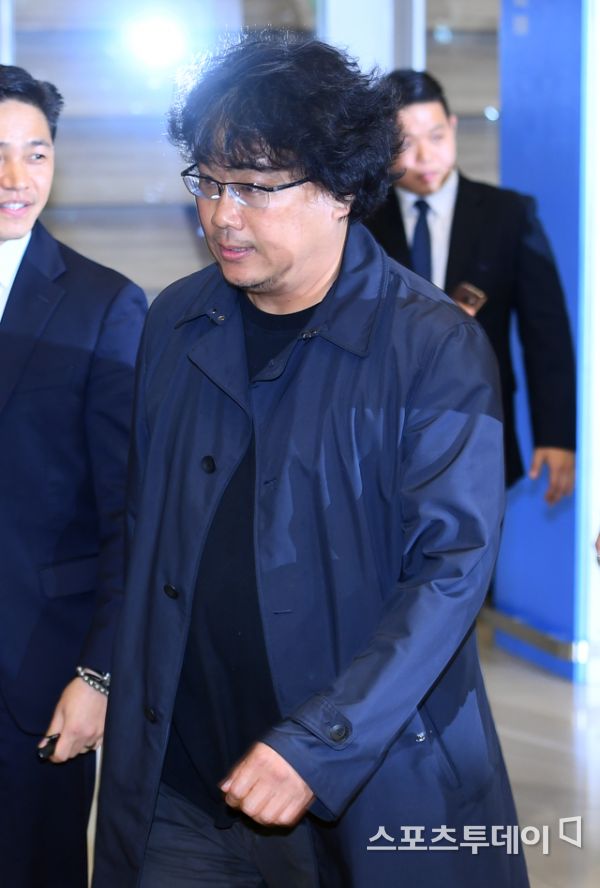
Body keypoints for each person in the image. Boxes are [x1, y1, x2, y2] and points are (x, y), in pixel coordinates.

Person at [92, 34, 529, 888]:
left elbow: (448, 575)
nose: (222, 215)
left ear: (341, 190)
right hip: (183, 782)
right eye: (208, 181)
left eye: (255, 188)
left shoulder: (431, 347)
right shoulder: (176, 321)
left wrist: (319, 742)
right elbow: (144, 531)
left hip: (361, 781)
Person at [0, 66, 147, 888]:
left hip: (33, 676)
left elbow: (129, 513)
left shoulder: (105, 304)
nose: (16, 178)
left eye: (36, 153)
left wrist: (98, 676)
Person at [365, 69, 576, 502]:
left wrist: (556, 435)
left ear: (453, 127)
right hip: (382, 434)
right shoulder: (361, 222)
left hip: (480, 426)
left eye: (436, 136)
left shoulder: (508, 215)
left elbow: (546, 334)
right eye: (405, 143)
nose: (425, 156)